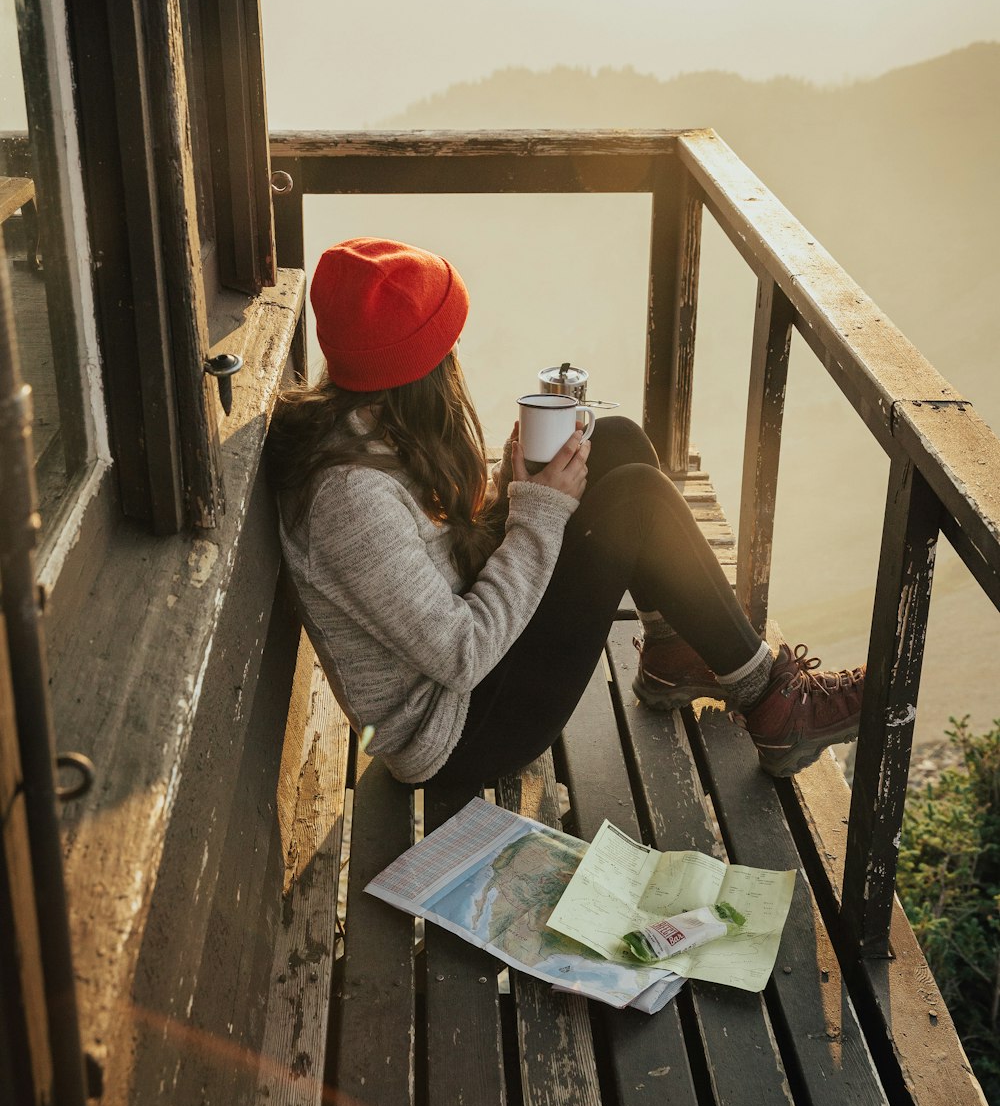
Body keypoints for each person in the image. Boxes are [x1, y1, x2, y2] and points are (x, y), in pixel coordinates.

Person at [268, 236, 865, 789]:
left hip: (475, 678)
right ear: (416, 369)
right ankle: (774, 705)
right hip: (459, 734)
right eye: (445, 344)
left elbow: (433, 561)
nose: (456, 356)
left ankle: (670, 649)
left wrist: (512, 486)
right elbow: (461, 651)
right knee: (634, 499)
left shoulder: (367, 425)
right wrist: (537, 512)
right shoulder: (348, 501)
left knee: (616, 441)